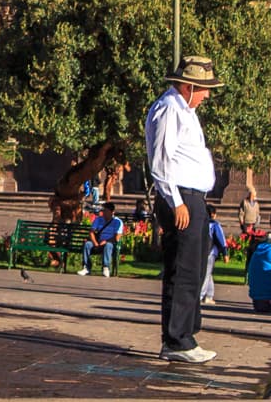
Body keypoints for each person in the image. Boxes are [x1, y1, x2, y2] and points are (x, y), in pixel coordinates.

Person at [145, 56, 223, 365]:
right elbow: (161, 160)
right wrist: (175, 201)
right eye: (204, 89)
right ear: (189, 86)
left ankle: (186, 334)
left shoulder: (185, 110)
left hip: (194, 198)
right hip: (181, 197)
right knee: (183, 268)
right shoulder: (169, 109)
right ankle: (176, 340)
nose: (207, 96)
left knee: (196, 266)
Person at [81, 204, 126, 277]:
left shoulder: (118, 222)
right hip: (98, 242)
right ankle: (86, 267)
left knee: (108, 245)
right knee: (87, 244)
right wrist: (95, 242)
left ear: (112, 212)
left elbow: (117, 237)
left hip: (110, 243)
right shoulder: (99, 219)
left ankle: (106, 267)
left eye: (106, 211)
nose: (104, 213)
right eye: (103, 211)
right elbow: (91, 232)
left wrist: (105, 241)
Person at [201, 206, 229, 304]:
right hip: (211, 252)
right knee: (206, 274)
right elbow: (221, 239)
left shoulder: (201, 223)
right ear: (213, 214)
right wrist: (225, 253)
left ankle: (209, 294)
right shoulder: (214, 225)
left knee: (207, 274)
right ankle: (202, 295)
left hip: (201, 251)